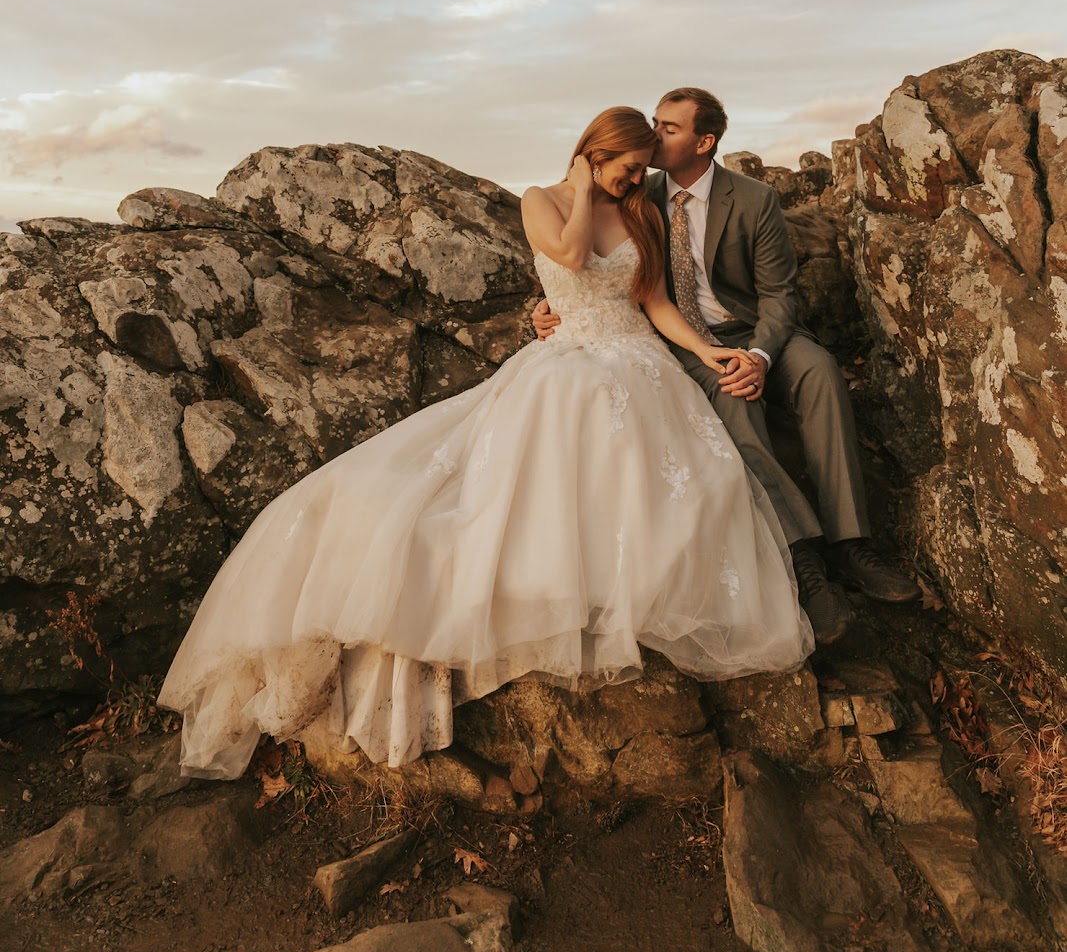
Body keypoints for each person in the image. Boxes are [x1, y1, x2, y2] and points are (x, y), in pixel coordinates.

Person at [158, 107, 813, 780]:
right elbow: (566, 256)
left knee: (678, 469)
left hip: (637, 354)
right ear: (594, 153)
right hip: (569, 356)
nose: (633, 179)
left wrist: (706, 351)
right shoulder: (542, 201)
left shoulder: (639, 210)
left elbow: (652, 301)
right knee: (558, 426)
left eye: (639, 170)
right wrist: (584, 189)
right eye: (624, 166)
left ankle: (629, 587)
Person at [534, 89, 919, 645]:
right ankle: (803, 560)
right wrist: (551, 306)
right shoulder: (640, 191)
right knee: (731, 397)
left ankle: (852, 544)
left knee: (819, 373)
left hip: (755, 330)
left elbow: (781, 295)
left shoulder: (754, 199)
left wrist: (761, 356)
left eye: (668, 128)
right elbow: (588, 262)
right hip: (689, 342)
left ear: (704, 141)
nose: (654, 135)